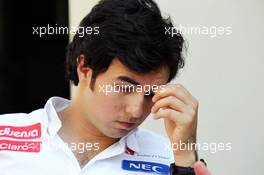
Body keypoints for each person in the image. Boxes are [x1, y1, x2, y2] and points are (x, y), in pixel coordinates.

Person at [0, 0, 211, 174]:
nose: (136, 110)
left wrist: (185, 158)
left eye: (150, 94)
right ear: (84, 68)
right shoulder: (5, 136)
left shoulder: (171, 158)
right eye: (125, 87)